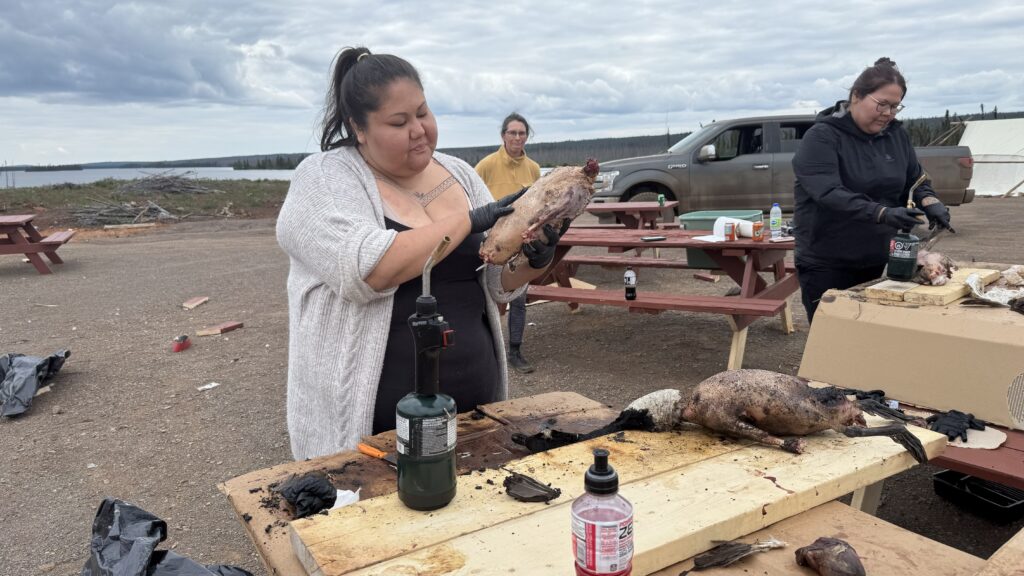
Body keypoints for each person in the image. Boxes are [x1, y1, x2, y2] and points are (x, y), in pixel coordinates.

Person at [276, 48, 563, 460]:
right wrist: (470, 219)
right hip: (371, 430)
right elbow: (369, 268)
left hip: (473, 411)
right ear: (359, 127)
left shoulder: (459, 173)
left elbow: (496, 283)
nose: (419, 130)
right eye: (399, 122)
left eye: (423, 113)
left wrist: (534, 260)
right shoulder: (322, 179)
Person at [792, 57, 953, 322]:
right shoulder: (822, 137)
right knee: (832, 337)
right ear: (857, 96)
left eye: (895, 106)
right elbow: (828, 192)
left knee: (867, 334)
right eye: (882, 104)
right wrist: (882, 213)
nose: (888, 113)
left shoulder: (895, 135)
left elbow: (916, 179)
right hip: (828, 259)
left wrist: (930, 202)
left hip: (877, 257)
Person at [475, 113, 542, 373]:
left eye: (522, 133)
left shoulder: (534, 168)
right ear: (503, 135)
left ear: (527, 136)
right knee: (485, 297)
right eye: (512, 132)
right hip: (492, 240)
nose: (517, 137)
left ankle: (515, 350)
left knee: (518, 296)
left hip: (523, 241)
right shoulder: (486, 165)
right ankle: (487, 349)